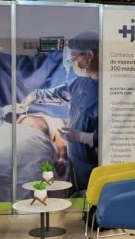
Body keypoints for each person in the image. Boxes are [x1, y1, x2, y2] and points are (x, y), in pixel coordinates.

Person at [22, 31, 99, 191]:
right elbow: (61, 93)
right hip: (75, 164)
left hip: (94, 167)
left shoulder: (109, 91)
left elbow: (115, 134)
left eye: (75, 58)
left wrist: (82, 137)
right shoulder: (81, 83)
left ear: (89, 56)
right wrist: (35, 95)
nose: (73, 63)